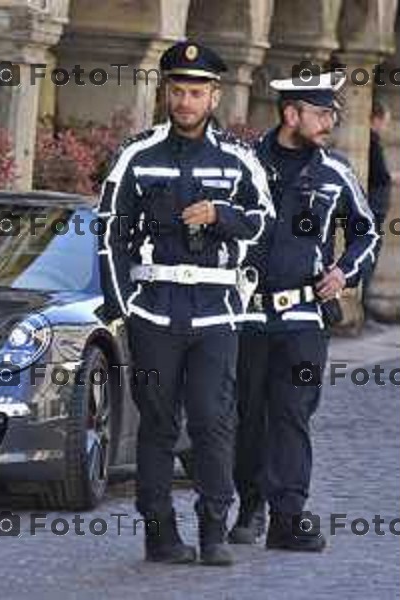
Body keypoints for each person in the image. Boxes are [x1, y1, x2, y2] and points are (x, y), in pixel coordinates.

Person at [97, 40, 274, 566]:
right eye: (177, 90)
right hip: (153, 313)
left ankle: (215, 531)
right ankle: (161, 536)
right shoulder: (137, 154)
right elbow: (110, 233)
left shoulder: (238, 160)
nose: (185, 101)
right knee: (156, 425)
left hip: (216, 314)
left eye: (196, 92)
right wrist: (123, 305)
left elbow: (264, 223)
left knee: (213, 421)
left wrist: (221, 214)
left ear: (214, 96)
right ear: (165, 92)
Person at [228, 72, 380, 551]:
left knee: (292, 415)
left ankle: (287, 517)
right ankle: (250, 505)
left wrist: (345, 272)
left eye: (333, 115)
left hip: (303, 321)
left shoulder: (334, 171)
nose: (329, 124)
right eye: (321, 113)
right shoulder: (242, 165)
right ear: (291, 113)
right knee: (247, 418)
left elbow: (366, 232)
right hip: (247, 317)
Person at [363, 98, 393, 304]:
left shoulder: (373, 141)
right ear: (376, 119)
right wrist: (394, 177)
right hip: (371, 209)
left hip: (376, 210)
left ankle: (363, 305)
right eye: (385, 121)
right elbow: (378, 175)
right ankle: (360, 305)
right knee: (367, 258)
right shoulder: (370, 141)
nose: (386, 126)